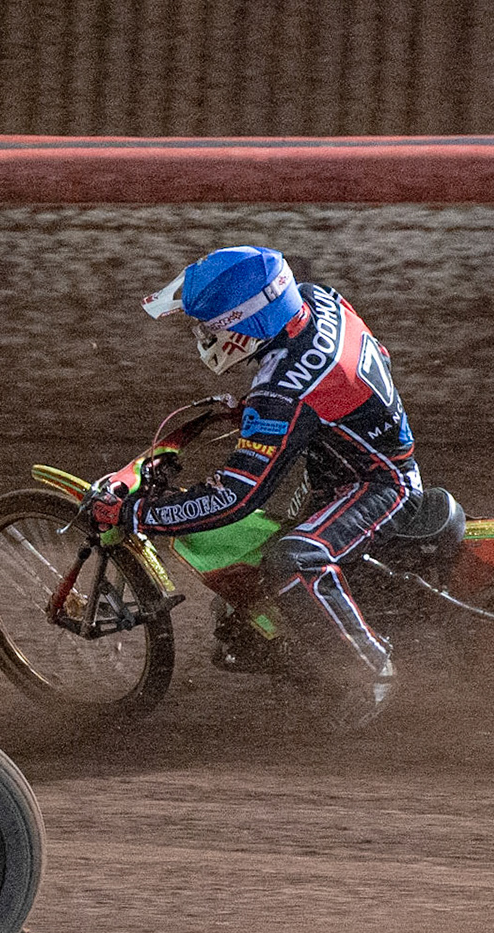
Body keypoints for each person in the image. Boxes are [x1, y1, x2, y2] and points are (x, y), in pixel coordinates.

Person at [95, 245, 419, 717]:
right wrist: (268, 409)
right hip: (350, 456)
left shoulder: (282, 391)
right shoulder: (317, 299)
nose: (203, 335)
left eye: (210, 326)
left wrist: (136, 513)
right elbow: (356, 368)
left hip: (377, 485)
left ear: (247, 324)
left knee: (293, 558)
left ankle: (371, 672)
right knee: (276, 534)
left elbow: (233, 498)